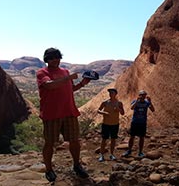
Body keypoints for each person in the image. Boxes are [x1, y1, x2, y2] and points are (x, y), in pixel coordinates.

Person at [36, 48, 91, 182]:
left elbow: (70, 89)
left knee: (74, 141)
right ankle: (49, 170)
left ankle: (77, 165)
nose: (55, 60)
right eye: (52, 58)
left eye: (57, 57)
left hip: (69, 111)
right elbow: (49, 85)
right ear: (47, 59)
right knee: (49, 143)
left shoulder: (64, 71)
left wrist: (82, 84)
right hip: (52, 113)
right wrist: (68, 77)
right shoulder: (42, 72)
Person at [122, 90, 155, 158]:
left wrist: (150, 102)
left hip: (142, 122)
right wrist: (137, 101)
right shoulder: (135, 101)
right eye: (141, 95)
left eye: (144, 95)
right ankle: (129, 150)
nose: (142, 96)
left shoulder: (147, 102)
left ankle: (140, 152)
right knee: (132, 136)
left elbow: (153, 109)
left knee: (142, 137)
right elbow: (132, 108)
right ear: (139, 95)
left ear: (145, 96)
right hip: (135, 122)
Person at [97, 88, 125, 162]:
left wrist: (119, 109)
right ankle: (101, 155)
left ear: (115, 94)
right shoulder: (105, 102)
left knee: (113, 139)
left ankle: (112, 154)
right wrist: (104, 113)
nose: (110, 94)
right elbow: (98, 110)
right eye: (110, 93)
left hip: (115, 124)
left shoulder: (119, 103)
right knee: (104, 139)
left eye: (112, 93)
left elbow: (122, 113)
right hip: (106, 124)